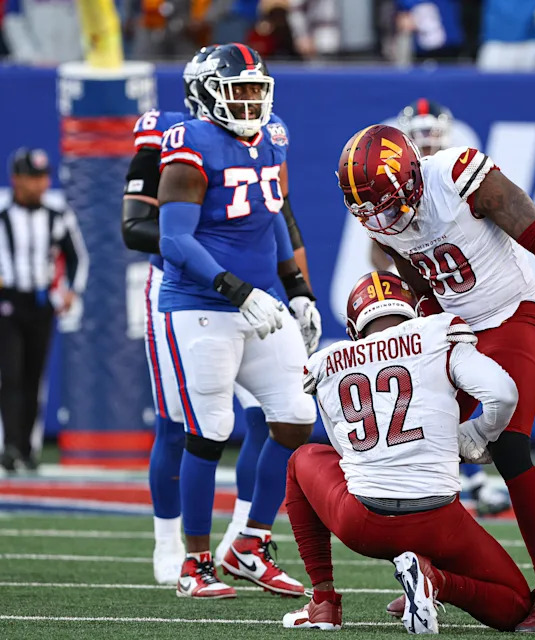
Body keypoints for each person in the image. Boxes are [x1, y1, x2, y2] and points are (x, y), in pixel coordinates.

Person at [337, 123, 535, 633]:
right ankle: (430, 572)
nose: (384, 219)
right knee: (412, 440)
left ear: (411, 178)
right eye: (373, 212)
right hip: (457, 323)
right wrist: (435, 335)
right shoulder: (381, 217)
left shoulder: (458, 175)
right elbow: (421, 285)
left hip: (511, 311)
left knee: (510, 447)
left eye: (389, 205)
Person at [122, 44, 318, 585]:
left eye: (258, 89)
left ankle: (250, 542)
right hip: (202, 303)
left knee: (296, 416)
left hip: (256, 298)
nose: (252, 101)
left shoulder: (273, 133)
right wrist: (234, 287)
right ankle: (193, 558)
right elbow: (170, 237)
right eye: (240, 90)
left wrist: (297, 288)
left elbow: (273, 213)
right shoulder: (187, 140)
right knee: (206, 428)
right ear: (206, 93)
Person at [283, 270, 531, 633]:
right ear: (413, 313)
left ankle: (323, 602)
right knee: (516, 604)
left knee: (300, 460)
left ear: (354, 328)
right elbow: (504, 393)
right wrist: (478, 433)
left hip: (364, 524)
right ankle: (436, 582)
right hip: (439, 521)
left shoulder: (328, 361)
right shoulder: (437, 333)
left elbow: (344, 454)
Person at [387, 97, 512, 518]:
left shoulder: (455, 173)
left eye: (431, 132)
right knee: (435, 389)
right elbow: (382, 253)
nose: (426, 141)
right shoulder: (395, 183)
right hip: (429, 302)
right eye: (418, 133)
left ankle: (467, 478)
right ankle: (432, 477)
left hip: (475, 298)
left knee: (475, 387)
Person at [0, 147, 87, 472]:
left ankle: (27, 448)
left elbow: (77, 256)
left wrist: (71, 292)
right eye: (33, 178)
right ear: (17, 180)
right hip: (8, 302)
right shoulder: (3, 217)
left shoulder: (57, 215)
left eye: (43, 177)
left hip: (40, 304)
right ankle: (9, 446)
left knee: (34, 378)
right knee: (10, 376)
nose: (40, 185)